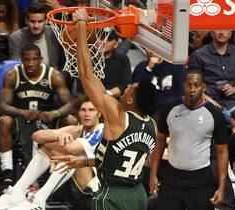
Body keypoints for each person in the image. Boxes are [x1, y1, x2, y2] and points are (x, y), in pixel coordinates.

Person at [51, 8, 157, 210]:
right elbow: (120, 160)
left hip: (112, 196)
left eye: (130, 88)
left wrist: (81, 25)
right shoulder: (151, 123)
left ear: (131, 101)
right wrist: (83, 162)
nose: (127, 86)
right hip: (137, 195)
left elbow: (85, 72)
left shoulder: (117, 114)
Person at [0, 99, 103, 210]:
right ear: (79, 114)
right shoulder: (76, 129)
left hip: (94, 194)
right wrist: (58, 136)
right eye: (83, 110)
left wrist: (49, 142)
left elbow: (71, 148)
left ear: (99, 114)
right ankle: (17, 194)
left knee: (69, 153)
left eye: (91, 110)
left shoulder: (102, 130)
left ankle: (38, 202)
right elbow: (36, 136)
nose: (87, 114)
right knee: (50, 148)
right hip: (72, 190)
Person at [0, 44, 73, 192]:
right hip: (21, 118)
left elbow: (70, 105)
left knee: (71, 120)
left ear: (41, 59)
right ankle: (7, 173)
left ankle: (65, 169)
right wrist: (21, 112)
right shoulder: (12, 75)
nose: (31, 63)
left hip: (47, 118)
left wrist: (54, 114)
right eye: (27, 60)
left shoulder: (53, 75)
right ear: (21, 60)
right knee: (4, 121)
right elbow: (2, 106)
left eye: (34, 59)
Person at [149, 69, 229, 210]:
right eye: (189, 85)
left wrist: (221, 187)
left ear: (204, 87)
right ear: (183, 86)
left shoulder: (215, 114)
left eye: (197, 85)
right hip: (171, 178)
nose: (192, 89)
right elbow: (160, 142)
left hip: (201, 180)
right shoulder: (169, 109)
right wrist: (153, 174)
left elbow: (222, 151)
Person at [188, 30, 235, 122]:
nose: (221, 32)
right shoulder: (199, 55)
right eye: (218, 29)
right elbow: (192, 87)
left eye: (225, 29)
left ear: (230, 34)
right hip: (206, 101)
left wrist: (234, 89)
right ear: (211, 33)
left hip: (232, 103)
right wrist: (208, 101)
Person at [8, 2, 63, 69]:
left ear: (46, 21)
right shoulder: (16, 38)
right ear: (26, 21)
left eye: (40, 21)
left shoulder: (54, 34)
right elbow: (15, 66)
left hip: (51, 77)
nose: (36, 26)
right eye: (32, 21)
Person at [132, 49, 185, 115]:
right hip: (148, 109)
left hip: (170, 109)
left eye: (154, 48)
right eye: (148, 48)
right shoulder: (141, 67)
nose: (152, 51)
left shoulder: (176, 66)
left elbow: (181, 92)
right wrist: (149, 68)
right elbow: (136, 89)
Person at [100, 30, 132, 98]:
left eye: (109, 39)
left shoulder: (122, 58)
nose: (104, 42)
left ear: (116, 44)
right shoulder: (89, 57)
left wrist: (107, 94)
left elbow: (126, 84)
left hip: (114, 98)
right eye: (101, 38)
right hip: (89, 98)